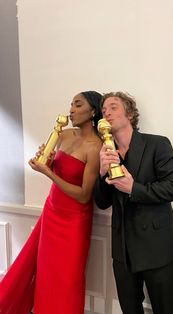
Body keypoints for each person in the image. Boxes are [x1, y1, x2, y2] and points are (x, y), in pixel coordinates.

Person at [0, 91, 103, 314]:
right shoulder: (63, 135)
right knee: (44, 271)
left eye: (78, 104)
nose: (71, 110)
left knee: (67, 278)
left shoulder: (96, 147)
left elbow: (84, 195)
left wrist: (48, 173)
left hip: (75, 220)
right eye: (71, 104)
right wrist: (44, 160)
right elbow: (56, 166)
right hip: (52, 211)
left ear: (93, 111)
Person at [93, 92, 173, 314]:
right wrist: (101, 172)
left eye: (113, 107)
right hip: (123, 251)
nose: (106, 112)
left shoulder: (157, 144)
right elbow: (102, 202)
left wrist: (134, 188)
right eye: (104, 109)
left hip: (157, 248)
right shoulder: (107, 152)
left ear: (129, 114)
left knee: (168, 309)